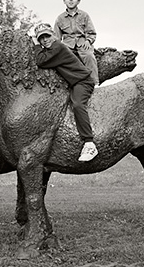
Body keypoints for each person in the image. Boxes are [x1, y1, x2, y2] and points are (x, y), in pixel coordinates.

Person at [30, 23, 98, 162]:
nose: (45, 40)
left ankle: (89, 143)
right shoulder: (53, 51)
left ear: (54, 35)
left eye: (47, 36)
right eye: (41, 38)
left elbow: (40, 60)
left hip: (83, 82)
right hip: (73, 84)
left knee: (78, 104)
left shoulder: (58, 47)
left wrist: (36, 44)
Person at [54, 0, 99, 87]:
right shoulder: (60, 18)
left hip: (82, 42)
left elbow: (91, 33)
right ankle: (70, 83)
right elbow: (56, 37)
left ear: (78, 1)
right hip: (67, 44)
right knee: (64, 59)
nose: (71, 0)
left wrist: (88, 41)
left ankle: (94, 82)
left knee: (89, 56)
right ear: (64, 1)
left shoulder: (84, 15)